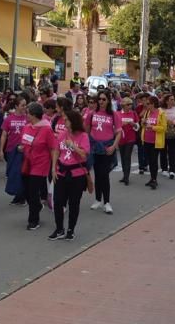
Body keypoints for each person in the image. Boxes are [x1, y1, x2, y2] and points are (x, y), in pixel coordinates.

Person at [50, 109, 90, 240]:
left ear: (73, 121)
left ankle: (71, 229)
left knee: (74, 203)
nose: (64, 121)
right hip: (61, 172)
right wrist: (54, 168)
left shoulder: (83, 136)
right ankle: (59, 228)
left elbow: (84, 154)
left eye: (66, 119)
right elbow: (56, 151)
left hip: (77, 174)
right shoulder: (62, 134)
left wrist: (72, 146)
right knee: (58, 201)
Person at [20, 102, 57, 231]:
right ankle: (37, 206)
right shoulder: (27, 127)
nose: (26, 115)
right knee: (25, 191)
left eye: (28, 113)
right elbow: (24, 142)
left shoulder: (47, 129)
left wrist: (53, 167)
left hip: (41, 164)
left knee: (33, 191)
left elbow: (53, 148)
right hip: (27, 163)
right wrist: (22, 147)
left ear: (34, 115)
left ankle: (33, 220)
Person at [85, 91, 121, 214]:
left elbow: (118, 132)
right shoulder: (91, 114)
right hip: (95, 148)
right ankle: (97, 199)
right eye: (99, 99)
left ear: (108, 101)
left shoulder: (114, 114)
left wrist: (114, 146)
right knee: (97, 174)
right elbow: (87, 131)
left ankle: (107, 202)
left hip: (107, 147)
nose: (101, 101)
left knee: (104, 175)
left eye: (104, 99)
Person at [0, 95, 30, 205]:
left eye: (25, 105)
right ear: (16, 106)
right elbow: (3, 135)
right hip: (11, 150)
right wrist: (1, 150)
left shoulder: (28, 118)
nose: (24, 107)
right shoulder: (9, 119)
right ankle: (18, 196)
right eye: (22, 105)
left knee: (20, 173)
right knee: (12, 173)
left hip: (23, 150)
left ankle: (21, 197)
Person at [117, 96, 139, 185]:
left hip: (130, 138)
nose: (130, 106)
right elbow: (114, 127)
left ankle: (127, 177)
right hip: (121, 138)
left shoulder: (133, 113)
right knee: (122, 157)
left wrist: (133, 124)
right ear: (123, 105)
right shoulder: (117, 114)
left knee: (127, 157)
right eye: (128, 104)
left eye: (131, 104)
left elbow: (137, 127)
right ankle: (124, 175)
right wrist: (122, 124)